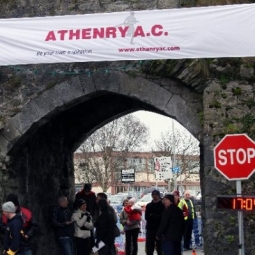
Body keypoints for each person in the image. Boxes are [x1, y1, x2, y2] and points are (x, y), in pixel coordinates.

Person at [145, 190, 165, 255]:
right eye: (153, 195)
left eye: (156, 195)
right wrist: (155, 216)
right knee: (149, 248)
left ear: (159, 195)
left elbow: (163, 217)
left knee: (160, 248)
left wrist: (153, 215)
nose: (155, 196)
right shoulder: (149, 206)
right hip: (150, 229)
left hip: (159, 229)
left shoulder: (162, 205)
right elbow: (147, 217)